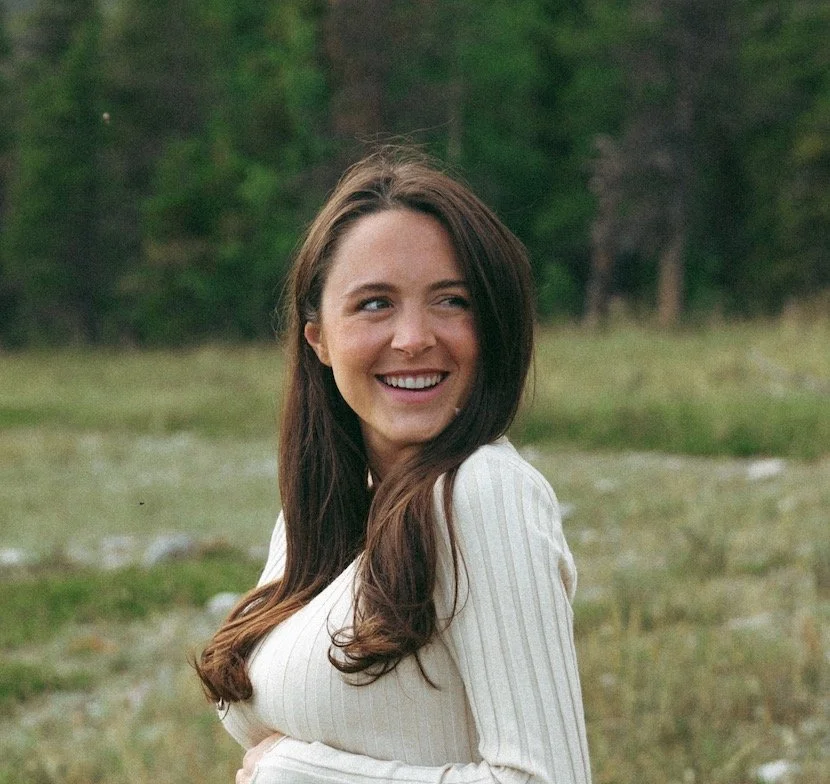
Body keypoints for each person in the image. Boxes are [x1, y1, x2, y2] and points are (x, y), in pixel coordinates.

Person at [196, 149, 592, 784]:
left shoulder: (483, 492)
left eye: (452, 301)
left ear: (493, 325)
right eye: (375, 303)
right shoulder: (326, 512)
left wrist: (299, 773)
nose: (413, 337)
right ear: (317, 337)